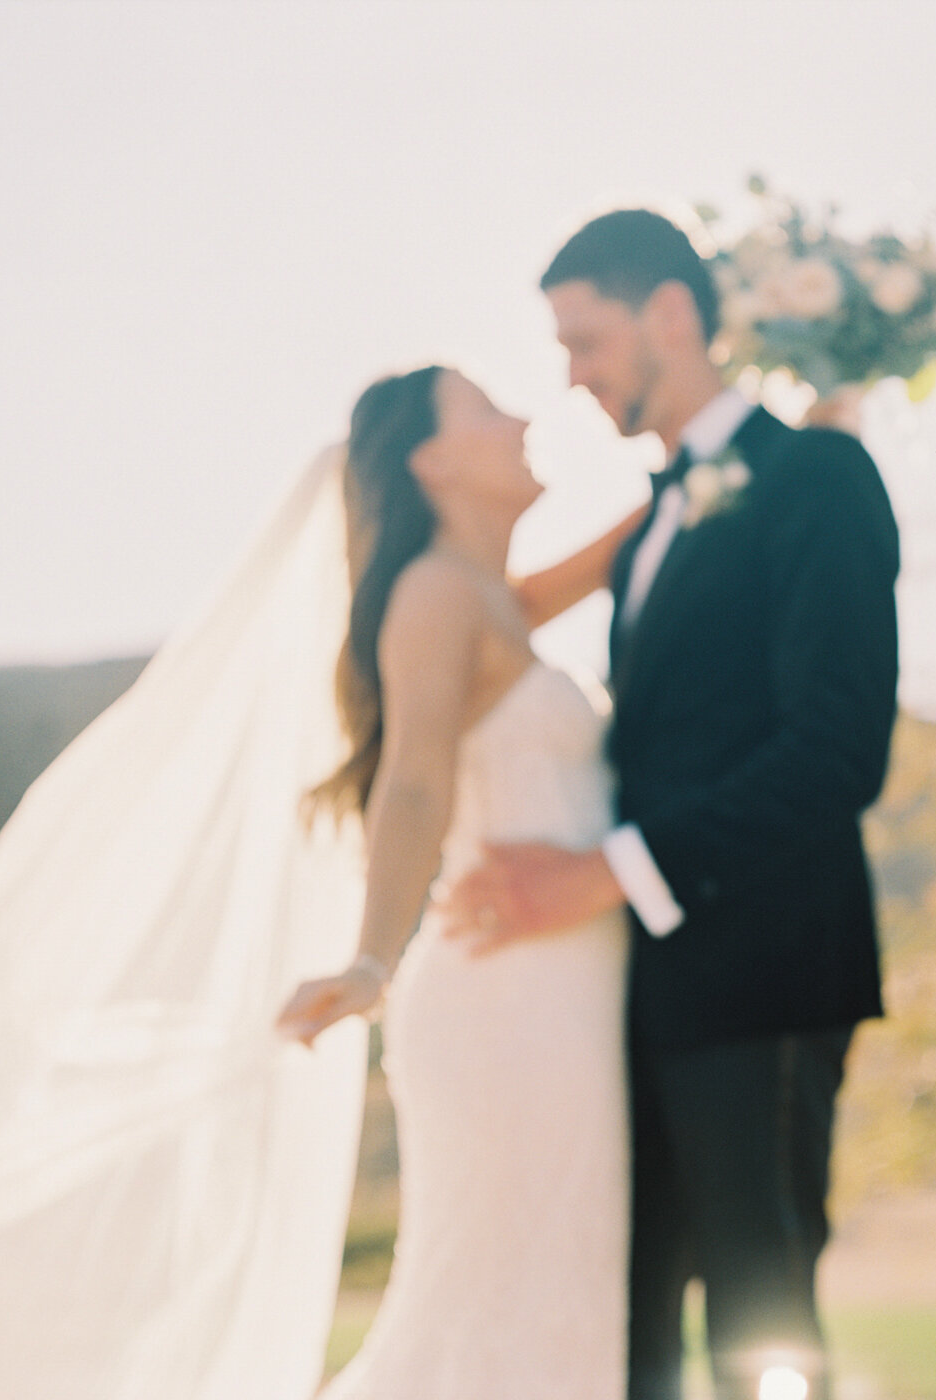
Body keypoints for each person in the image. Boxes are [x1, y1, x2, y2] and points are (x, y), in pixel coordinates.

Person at [445, 210, 901, 1400]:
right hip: (635, 988)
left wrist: (599, 872)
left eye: (584, 341)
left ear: (671, 315)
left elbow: (836, 749)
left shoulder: (818, 475)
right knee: (623, 1322)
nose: (571, 379)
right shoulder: (653, 514)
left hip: (766, 976)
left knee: (762, 1319)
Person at [274, 363, 641, 1400]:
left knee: (551, 1293)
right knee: (500, 1302)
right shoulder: (435, 594)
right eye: (488, 409)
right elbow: (413, 781)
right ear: (431, 459)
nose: (523, 419)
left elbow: (649, 526)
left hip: (557, 994)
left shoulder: (497, 600)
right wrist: (370, 957)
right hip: (504, 1001)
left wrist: (823, 401)